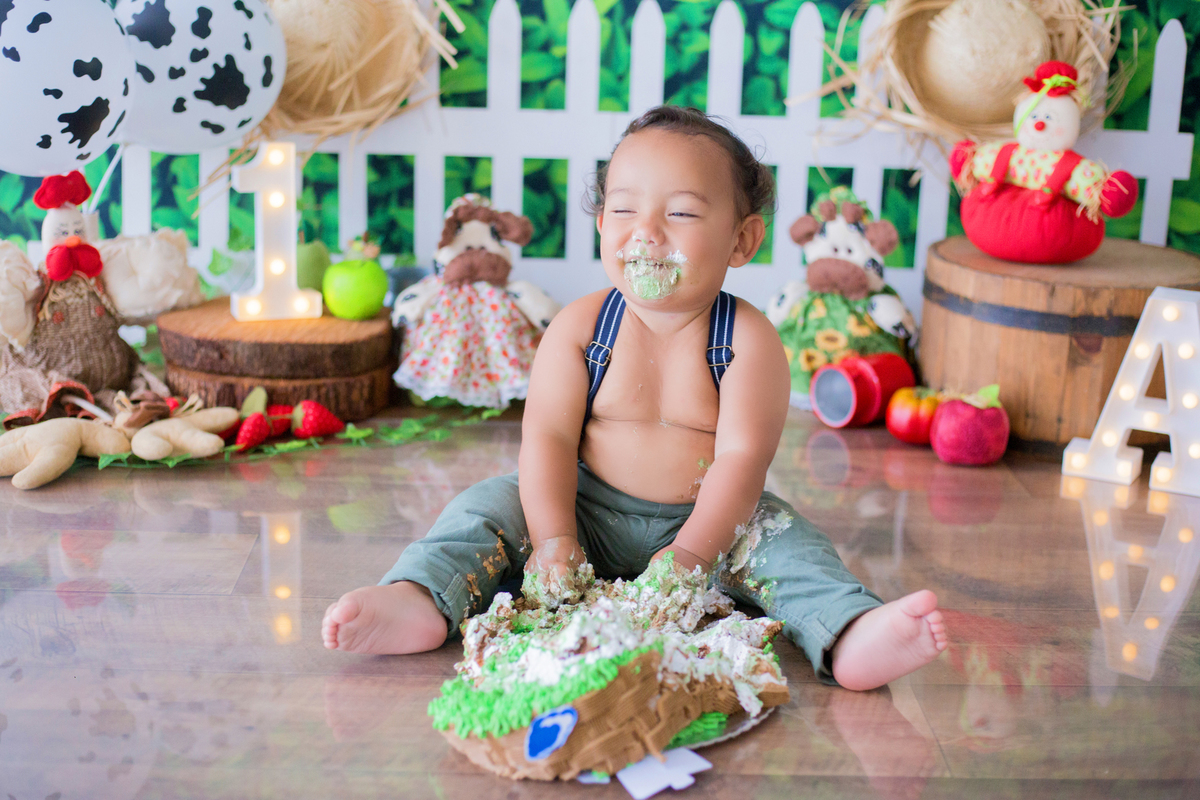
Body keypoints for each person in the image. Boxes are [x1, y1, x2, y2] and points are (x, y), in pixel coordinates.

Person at [322, 106, 947, 691]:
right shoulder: (581, 327)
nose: (645, 233)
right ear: (601, 224)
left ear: (742, 240)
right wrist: (551, 538)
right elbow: (548, 439)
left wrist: (694, 554)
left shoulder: (749, 341)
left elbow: (741, 461)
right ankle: (419, 598)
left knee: (791, 545)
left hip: (711, 524)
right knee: (483, 508)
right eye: (623, 211)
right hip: (580, 511)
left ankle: (849, 631)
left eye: (680, 214)